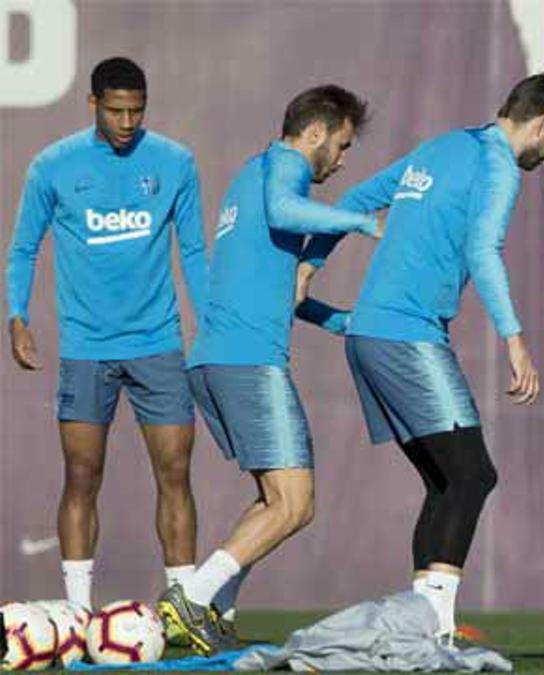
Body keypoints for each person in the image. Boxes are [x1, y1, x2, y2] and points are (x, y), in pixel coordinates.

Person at [295, 73, 544, 644]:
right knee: (474, 475)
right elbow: (483, 248)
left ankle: (422, 627)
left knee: (445, 481)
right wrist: (515, 337)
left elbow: (354, 201)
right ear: (543, 124)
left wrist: (310, 265)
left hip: (368, 338)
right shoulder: (499, 166)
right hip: (407, 337)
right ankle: (434, 629)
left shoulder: (443, 145)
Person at [157, 85, 380, 656]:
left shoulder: (253, 172)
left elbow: (280, 291)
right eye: (343, 145)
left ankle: (213, 604)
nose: (343, 159)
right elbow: (286, 211)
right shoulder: (285, 170)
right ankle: (191, 597)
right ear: (314, 135)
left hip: (217, 360)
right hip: (248, 361)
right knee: (296, 503)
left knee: (272, 500)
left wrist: (343, 322)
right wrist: (358, 220)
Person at [6, 56, 207, 610]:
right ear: (92, 104)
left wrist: (209, 327)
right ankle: (76, 612)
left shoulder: (174, 162)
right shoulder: (53, 165)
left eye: (136, 112)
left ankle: (180, 609)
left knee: (175, 473)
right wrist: (17, 316)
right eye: (115, 111)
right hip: (87, 349)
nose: (126, 123)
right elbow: (23, 247)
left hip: (158, 345)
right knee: (81, 474)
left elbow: (192, 250)